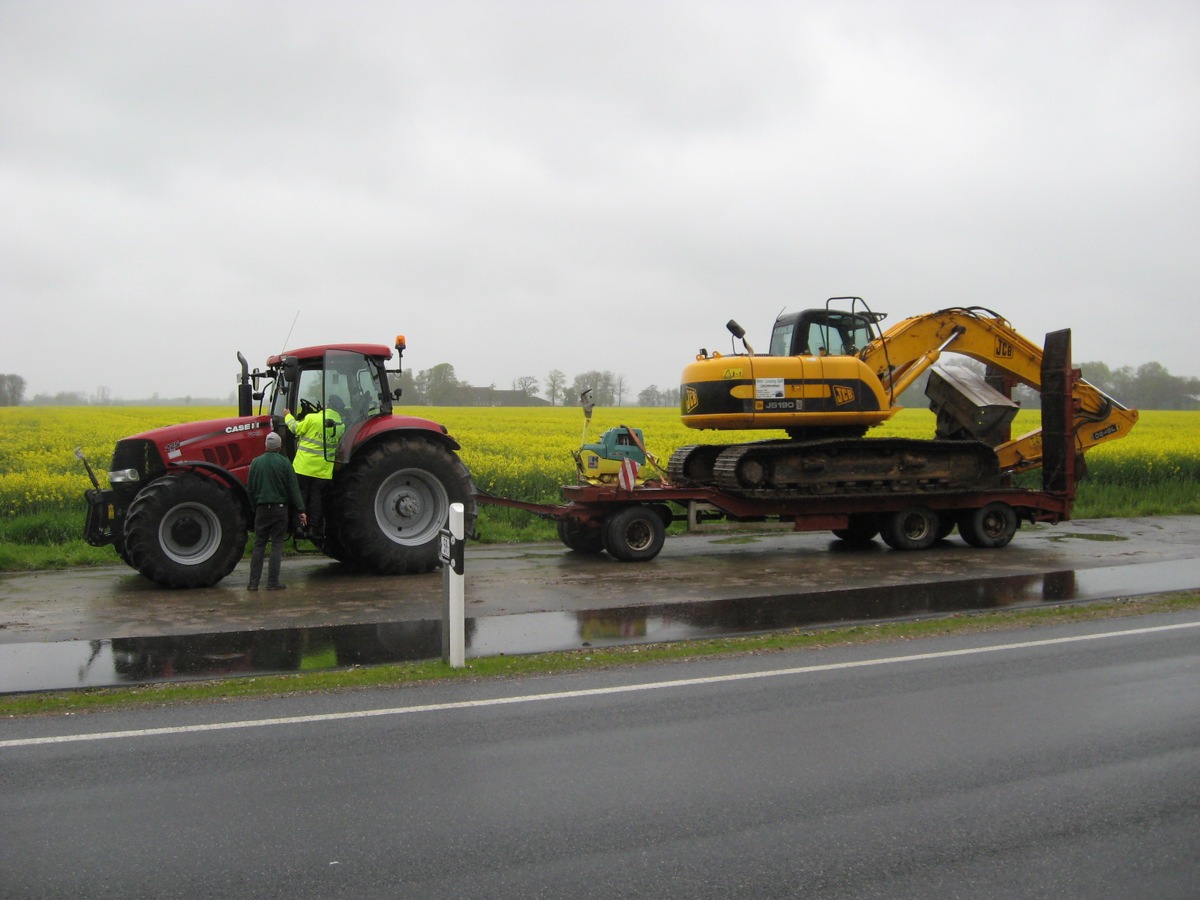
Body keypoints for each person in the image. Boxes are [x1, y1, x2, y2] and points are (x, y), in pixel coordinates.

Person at [247, 430, 306, 591]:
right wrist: (301, 509)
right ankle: (272, 582)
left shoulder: (255, 463)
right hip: (279, 511)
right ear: (279, 446)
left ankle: (253, 583)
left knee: (259, 546)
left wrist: (254, 508)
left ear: (266, 445)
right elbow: (293, 489)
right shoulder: (285, 463)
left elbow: (250, 489)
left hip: (261, 510)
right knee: (277, 546)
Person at [283, 397, 345, 539]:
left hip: (303, 466)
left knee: (301, 497)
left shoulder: (312, 418)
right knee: (316, 499)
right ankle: (313, 529)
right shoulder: (341, 425)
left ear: (327, 405)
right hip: (323, 470)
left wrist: (288, 416)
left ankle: (298, 527)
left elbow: (295, 428)